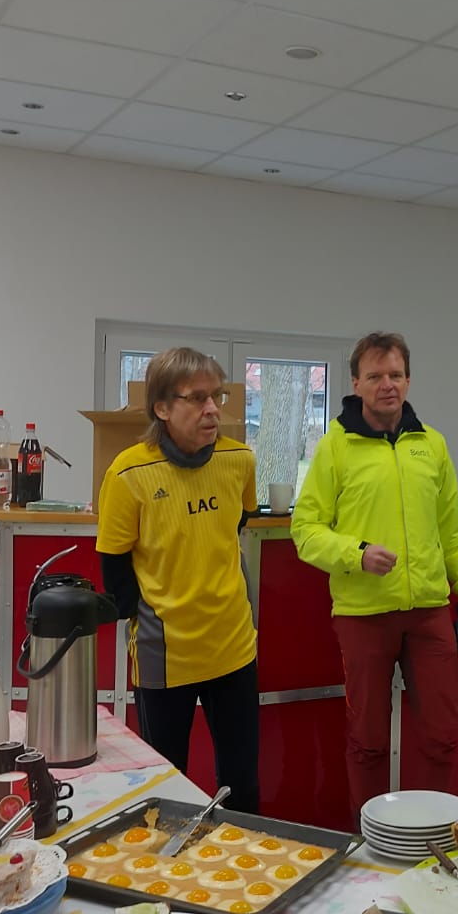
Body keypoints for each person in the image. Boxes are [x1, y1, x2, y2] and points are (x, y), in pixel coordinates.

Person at [291, 331, 458, 813]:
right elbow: (305, 530)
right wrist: (357, 553)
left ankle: (429, 833)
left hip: (428, 611)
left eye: (395, 375)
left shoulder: (432, 445)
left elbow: (451, 533)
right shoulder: (335, 447)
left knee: (442, 736)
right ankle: (372, 839)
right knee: (367, 740)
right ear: (356, 383)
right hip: (363, 613)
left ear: (408, 380)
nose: (387, 384)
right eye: (375, 376)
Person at [97, 347, 260, 810]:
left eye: (217, 396)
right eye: (197, 398)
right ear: (162, 408)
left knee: (242, 784)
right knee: (168, 789)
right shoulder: (128, 472)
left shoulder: (239, 460)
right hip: (165, 653)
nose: (213, 410)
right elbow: (114, 560)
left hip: (233, 645)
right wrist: (142, 612)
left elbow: (236, 523)